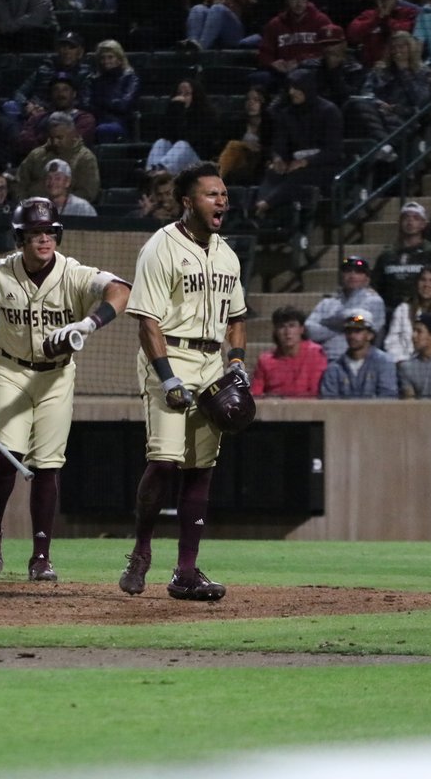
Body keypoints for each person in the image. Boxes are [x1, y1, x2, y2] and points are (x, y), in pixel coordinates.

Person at [0, 196, 131, 580]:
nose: (44, 239)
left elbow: (120, 290)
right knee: (6, 453)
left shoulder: (74, 273)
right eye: (35, 233)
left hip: (56, 376)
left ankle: (41, 556)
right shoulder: (0, 274)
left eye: (49, 232)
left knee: (48, 465)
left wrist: (89, 324)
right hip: (10, 372)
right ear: (21, 238)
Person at [118, 162, 247, 601]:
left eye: (224, 195)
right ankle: (140, 551)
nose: (222, 201)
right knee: (165, 461)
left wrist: (238, 362)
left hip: (213, 363)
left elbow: (237, 318)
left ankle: (186, 572)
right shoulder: (161, 247)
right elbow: (147, 321)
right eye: (212, 194)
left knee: (202, 468)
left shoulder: (227, 253)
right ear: (188, 201)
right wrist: (168, 376)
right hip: (168, 355)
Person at [253, 69, 343, 221]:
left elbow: (333, 151)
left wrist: (305, 162)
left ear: (308, 87)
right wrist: (277, 158)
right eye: (290, 88)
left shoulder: (329, 111)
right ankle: (260, 210)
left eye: (296, 88)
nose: (292, 92)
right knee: (272, 171)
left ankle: (266, 205)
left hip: (324, 165)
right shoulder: (286, 114)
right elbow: (279, 144)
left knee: (299, 174)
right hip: (294, 163)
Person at [350, 31, 431, 158]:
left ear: (410, 48)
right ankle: (387, 146)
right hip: (380, 112)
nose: (397, 51)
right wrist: (378, 102)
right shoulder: (380, 71)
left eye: (401, 46)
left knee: (397, 120)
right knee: (359, 104)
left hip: (407, 114)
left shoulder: (423, 72)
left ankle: (386, 146)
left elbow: (420, 100)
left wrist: (404, 71)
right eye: (393, 47)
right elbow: (366, 92)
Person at [372, 200, 431, 315]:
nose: (410, 221)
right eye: (406, 217)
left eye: (415, 218)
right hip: (389, 311)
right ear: (400, 222)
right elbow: (376, 285)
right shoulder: (387, 255)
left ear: (423, 224)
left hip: (425, 311)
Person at [255, 0, 334, 90]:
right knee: (259, 78)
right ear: (287, 0)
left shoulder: (322, 21)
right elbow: (264, 53)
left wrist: (300, 61)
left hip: (312, 73)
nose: (299, 3)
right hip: (283, 74)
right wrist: (272, 63)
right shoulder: (275, 24)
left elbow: (330, 52)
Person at [305, 255, 386, 362]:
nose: (352, 275)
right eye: (348, 271)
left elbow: (368, 331)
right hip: (326, 359)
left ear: (367, 279)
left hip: (360, 360)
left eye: (358, 272)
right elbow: (310, 330)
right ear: (341, 276)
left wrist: (328, 323)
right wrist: (341, 328)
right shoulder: (327, 302)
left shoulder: (374, 301)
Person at [145, 77, 223, 176]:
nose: (181, 98)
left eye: (187, 94)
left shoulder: (206, 116)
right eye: (179, 93)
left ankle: (160, 174)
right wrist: (174, 112)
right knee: (161, 142)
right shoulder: (173, 111)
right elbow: (166, 134)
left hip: (197, 164)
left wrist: (180, 111)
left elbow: (190, 139)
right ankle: (151, 174)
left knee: (182, 145)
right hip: (175, 162)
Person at [17, 111, 100, 202]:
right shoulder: (36, 155)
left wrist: (60, 205)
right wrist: (25, 204)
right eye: (52, 138)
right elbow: (20, 182)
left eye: (59, 138)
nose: (55, 142)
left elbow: (87, 192)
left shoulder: (85, 158)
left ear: (73, 135)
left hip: (68, 212)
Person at [12, 71, 96, 160]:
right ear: (51, 94)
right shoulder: (38, 117)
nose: (61, 94)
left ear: (74, 94)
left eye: (65, 89)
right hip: (38, 163)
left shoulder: (85, 119)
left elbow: (72, 143)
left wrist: (41, 141)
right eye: (56, 89)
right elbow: (24, 142)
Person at [8, 30, 92, 118]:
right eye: (63, 47)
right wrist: (27, 105)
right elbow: (19, 92)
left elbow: (84, 102)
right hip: (34, 109)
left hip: (65, 113)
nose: (66, 52)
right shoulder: (44, 69)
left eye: (71, 47)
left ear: (80, 52)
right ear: (57, 50)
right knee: (10, 105)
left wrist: (49, 108)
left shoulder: (84, 74)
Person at [250, 305, 328, 397]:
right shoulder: (265, 360)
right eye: (282, 327)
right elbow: (255, 394)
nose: (287, 332)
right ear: (275, 331)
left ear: (301, 329)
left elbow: (315, 392)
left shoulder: (316, 353)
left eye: (292, 326)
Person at [319, 309, 399, 398]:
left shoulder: (384, 363)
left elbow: (388, 398)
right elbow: (329, 401)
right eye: (349, 331)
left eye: (357, 331)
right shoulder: (334, 368)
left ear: (370, 335)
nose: (352, 336)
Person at [346, 0, 420, 69]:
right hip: (371, 69)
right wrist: (377, 18)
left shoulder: (409, 13)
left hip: (402, 69)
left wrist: (386, 17)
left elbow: (405, 31)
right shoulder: (368, 15)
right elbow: (353, 34)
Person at [79, 39, 139, 144]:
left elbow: (124, 105)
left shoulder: (130, 78)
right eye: (102, 58)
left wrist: (100, 101)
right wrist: (111, 103)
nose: (106, 61)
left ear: (119, 59)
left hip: (120, 122)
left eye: (110, 57)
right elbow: (86, 105)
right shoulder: (92, 79)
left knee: (105, 130)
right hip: (94, 121)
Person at [183, 0, 259, 51]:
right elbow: (206, 5)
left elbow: (255, 8)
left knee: (218, 8)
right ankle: (192, 41)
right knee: (198, 8)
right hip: (213, 29)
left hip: (236, 32)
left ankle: (202, 47)